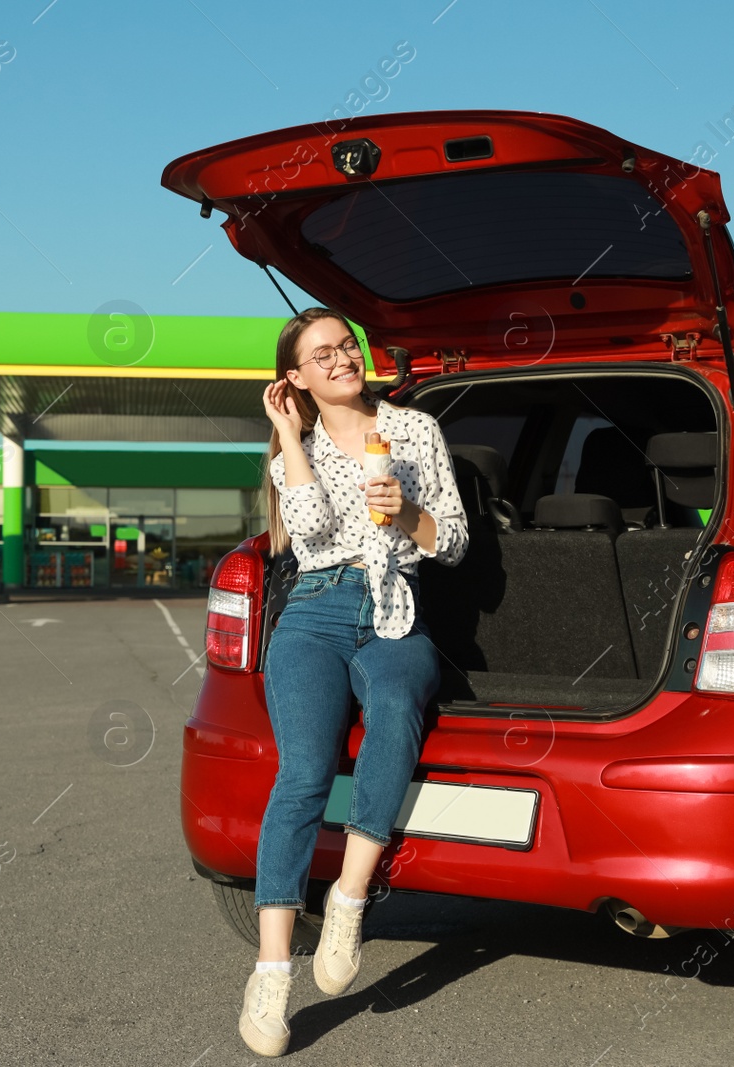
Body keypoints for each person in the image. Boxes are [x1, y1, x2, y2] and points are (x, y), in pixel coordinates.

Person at [238, 307, 469, 1057]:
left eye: (346, 345)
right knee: (303, 773)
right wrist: (287, 439)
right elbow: (304, 533)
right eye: (321, 354)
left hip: (395, 608)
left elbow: (457, 542)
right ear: (297, 377)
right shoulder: (292, 450)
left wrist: (407, 516)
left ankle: (349, 895)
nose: (341, 358)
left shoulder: (414, 430)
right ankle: (271, 974)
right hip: (312, 611)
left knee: (398, 706)